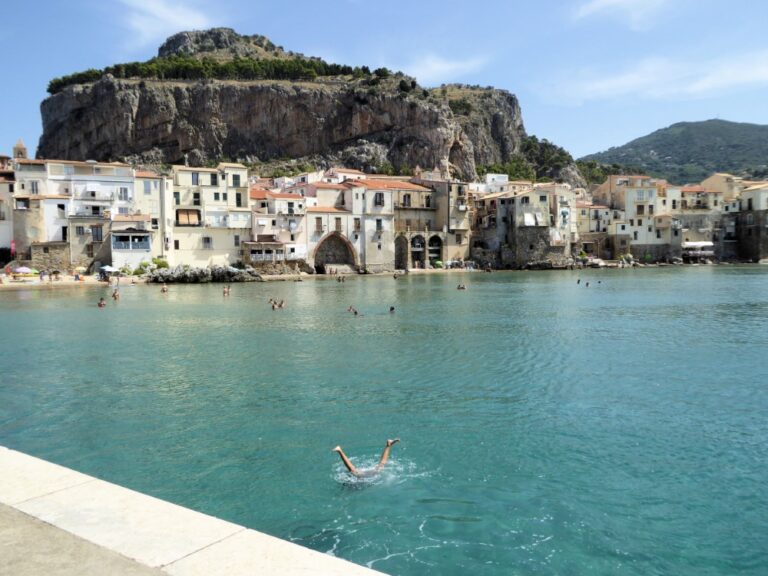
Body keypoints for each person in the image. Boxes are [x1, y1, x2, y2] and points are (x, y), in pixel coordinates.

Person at [332, 439, 400, 478]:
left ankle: (388, 445)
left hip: (368, 475)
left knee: (381, 465)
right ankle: (388, 445)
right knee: (353, 471)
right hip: (368, 475)